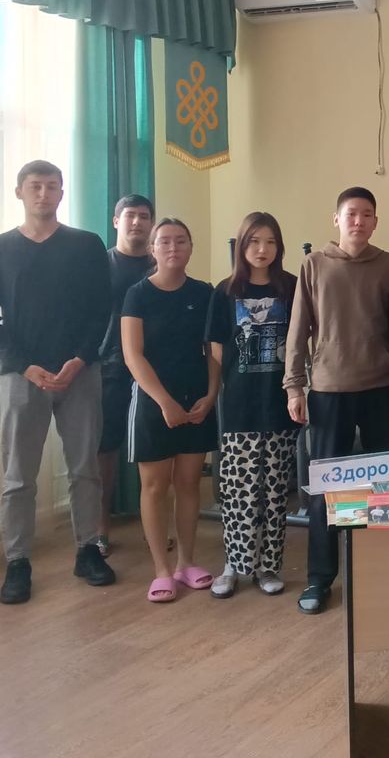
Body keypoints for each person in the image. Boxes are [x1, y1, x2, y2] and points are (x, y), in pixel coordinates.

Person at [284, 187, 389, 615]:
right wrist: (294, 386)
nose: (359, 221)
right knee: (325, 491)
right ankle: (320, 579)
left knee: (385, 486)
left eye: (367, 214)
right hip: (328, 391)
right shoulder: (314, 265)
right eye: (351, 213)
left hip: (382, 389)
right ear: (336, 219)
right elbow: (298, 330)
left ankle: (384, 571)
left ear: (375, 222)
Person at [0, 160, 115, 604]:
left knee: (84, 466)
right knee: (18, 475)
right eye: (35, 186)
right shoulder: (4, 247)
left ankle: (88, 549)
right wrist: (23, 364)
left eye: (51, 186)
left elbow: (101, 309)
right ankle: (18, 561)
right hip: (21, 374)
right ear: (19, 192)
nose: (43, 194)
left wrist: (81, 358)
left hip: (79, 372)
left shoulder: (86, 245)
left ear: (62, 193)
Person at [122, 218, 219, 603]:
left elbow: (213, 351)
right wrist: (164, 402)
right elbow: (133, 355)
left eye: (181, 241)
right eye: (164, 241)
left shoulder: (205, 292)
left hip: (196, 402)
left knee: (189, 483)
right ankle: (161, 570)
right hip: (153, 404)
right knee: (155, 486)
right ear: (153, 249)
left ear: (191, 247)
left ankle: (186, 562)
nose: (173, 247)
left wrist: (211, 395)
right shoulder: (137, 294)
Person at [206, 212, 298, 599]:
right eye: (254, 241)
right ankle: (234, 563)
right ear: (242, 245)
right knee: (238, 488)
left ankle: (267, 566)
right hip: (239, 403)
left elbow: (303, 338)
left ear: (279, 246)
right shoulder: (225, 291)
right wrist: (219, 390)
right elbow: (216, 349)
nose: (262, 249)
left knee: (275, 490)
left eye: (270, 241)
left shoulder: (292, 287)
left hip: (280, 402)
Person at [96, 193, 156, 556]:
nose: (137, 222)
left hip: (153, 369)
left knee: (156, 451)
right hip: (109, 368)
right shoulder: (99, 265)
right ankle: (100, 529)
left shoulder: (159, 264)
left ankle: (154, 528)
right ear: (116, 221)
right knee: (105, 449)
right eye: (130, 215)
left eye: (144, 216)